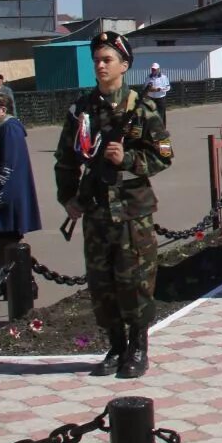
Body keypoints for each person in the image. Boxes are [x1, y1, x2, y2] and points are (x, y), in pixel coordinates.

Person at [55, 31, 172, 380]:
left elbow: (164, 155)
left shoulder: (142, 107)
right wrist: (69, 198)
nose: (101, 66)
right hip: (96, 212)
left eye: (107, 60)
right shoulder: (82, 110)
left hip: (132, 212)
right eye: (97, 61)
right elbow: (65, 159)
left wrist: (128, 159)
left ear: (124, 65)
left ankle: (138, 347)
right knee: (102, 283)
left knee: (134, 281)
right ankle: (116, 345)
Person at [0, 89, 41, 249]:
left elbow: (8, 162)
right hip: (1, 194)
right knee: (1, 240)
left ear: (3, 110)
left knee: (8, 241)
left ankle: (13, 273)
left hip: (7, 196)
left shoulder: (9, 127)